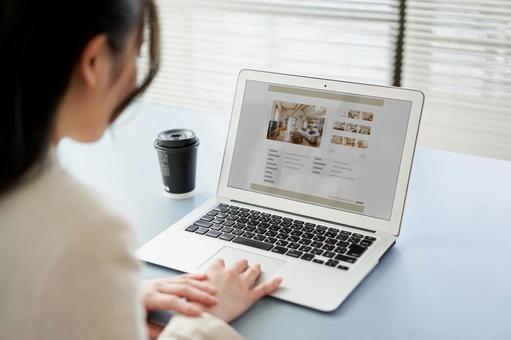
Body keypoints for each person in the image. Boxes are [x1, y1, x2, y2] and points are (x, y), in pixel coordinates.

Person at [0, 0, 282, 339]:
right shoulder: (88, 231)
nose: (135, 72)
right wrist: (202, 318)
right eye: (137, 51)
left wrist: (101, 299)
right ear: (95, 61)